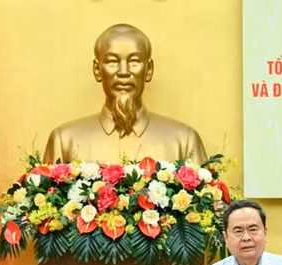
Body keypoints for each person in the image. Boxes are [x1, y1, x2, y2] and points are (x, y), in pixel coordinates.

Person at [43, 23, 207, 165]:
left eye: (134, 61)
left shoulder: (184, 142)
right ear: (97, 70)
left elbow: (208, 199)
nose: (123, 72)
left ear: (148, 70)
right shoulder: (64, 141)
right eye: (112, 61)